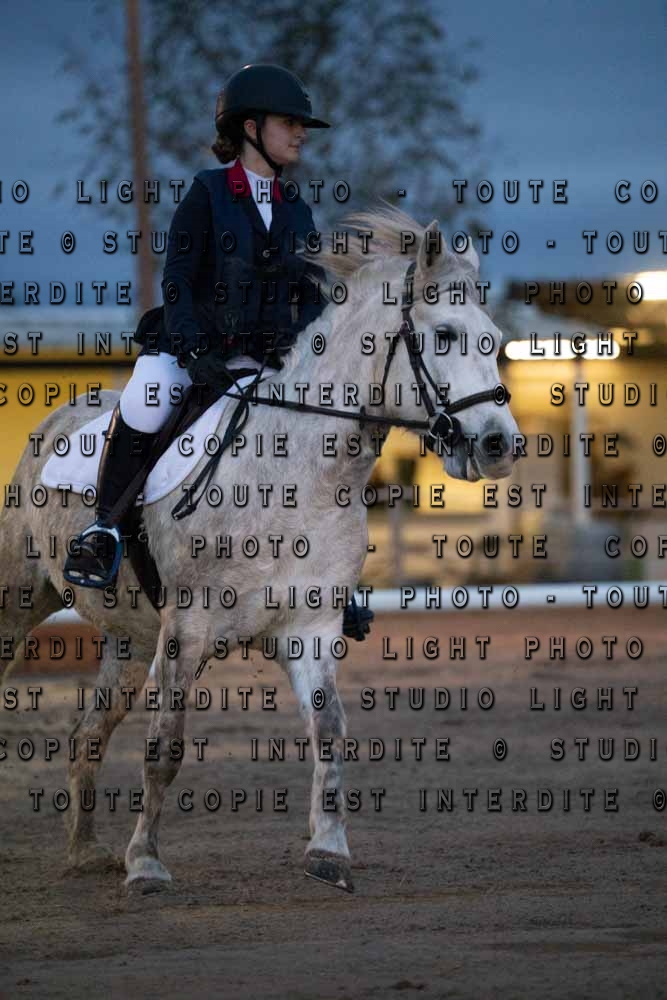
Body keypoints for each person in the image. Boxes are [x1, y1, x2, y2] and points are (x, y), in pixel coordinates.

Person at [63, 63, 374, 638]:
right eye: (289, 123)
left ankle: (328, 580)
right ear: (251, 128)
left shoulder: (297, 209)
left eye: (301, 125)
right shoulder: (207, 194)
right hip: (189, 351)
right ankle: (102, 531)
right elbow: (178, 281)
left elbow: (309, 297)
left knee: (310, 439)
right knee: (145, 404)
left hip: (262, 361)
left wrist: (311, 353)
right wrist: (192, 350)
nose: (300, 134)